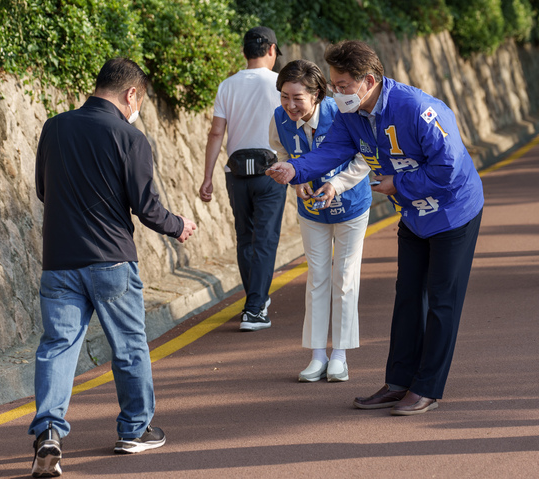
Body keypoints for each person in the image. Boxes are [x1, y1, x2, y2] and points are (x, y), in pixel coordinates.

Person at [267, 40, 483, 415]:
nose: (336, 92)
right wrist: (295, 170)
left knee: (442, 301)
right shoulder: (351, 115)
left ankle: (427, 388)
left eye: (342, 85)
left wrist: (398, 186)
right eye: (334, 85)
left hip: (453, 214)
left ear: (368, 81)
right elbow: (330, 152)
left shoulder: (417, 108)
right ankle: (399, 382)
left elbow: (448, 168)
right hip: (414, 215)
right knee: (408, 296)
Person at [30, 57, 197, 477]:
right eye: (138, 100)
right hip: (111, 260)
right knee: (128, 346)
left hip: (59, 261)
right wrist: (178, 226)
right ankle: (134, 430)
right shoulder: (130, 138)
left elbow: (42, 190)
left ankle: (49, 431)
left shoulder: (55, 127)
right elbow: (146, 207)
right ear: (131, 94)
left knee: (57, 347)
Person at [268, 59, 372, 383]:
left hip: (351, 207)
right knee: (316, 278)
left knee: (344, 276)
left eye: (297, 97)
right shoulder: (278, 119)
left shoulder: (343, 113)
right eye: (284, 96)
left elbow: (365, 155)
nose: (289, 104)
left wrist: (337, 184)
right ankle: (317, 355)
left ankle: (339, 355)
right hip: (311, 212)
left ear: (316, 94)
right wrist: (295, 179)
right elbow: (280, 153)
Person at [200, 26, 286, 331]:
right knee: (265, 239)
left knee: (245, 238)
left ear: (244, 52)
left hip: (235, 174)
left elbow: (216, 133)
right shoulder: (280, 84)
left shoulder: (227, 85)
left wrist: (207, 176)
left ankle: (256, 299)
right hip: (271, 171)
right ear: (272, 50)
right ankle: (254, 309)